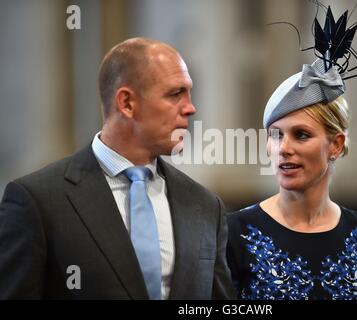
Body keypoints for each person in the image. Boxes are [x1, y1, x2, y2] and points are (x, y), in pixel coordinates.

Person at [0, 38, 235, 300]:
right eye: (175, 94)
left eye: (189, 93)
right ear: (126, 103)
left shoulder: (205, 206)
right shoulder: (38, 201)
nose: (190, 108)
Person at [226, 7, 357, 300]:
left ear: (336, 144)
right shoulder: (234, 233)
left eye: (301, 135)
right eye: (276, 135)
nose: (285, 148)